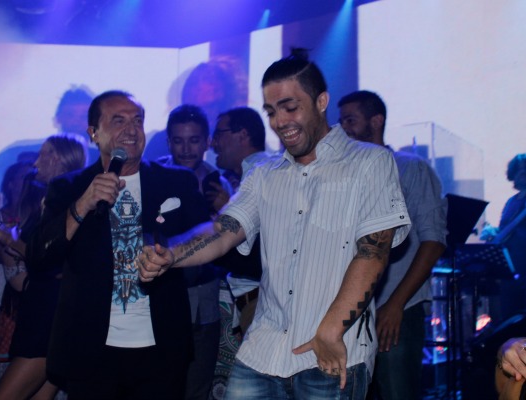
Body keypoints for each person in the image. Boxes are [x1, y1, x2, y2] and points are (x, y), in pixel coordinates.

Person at [139, 52, 411, 400]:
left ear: (321, 102)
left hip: (330, 352)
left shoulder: (370, 162)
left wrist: (331, 329)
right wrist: (171, 255)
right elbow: (223, 230)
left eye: (290, 107)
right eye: (271, 111)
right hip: (262, 352)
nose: (280, 121)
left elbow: (373, 252)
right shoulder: (264, 173)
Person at [31, 90, 211, 399]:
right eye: (118, 121)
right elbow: (39, 257)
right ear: (93, 133)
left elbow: (205, 242)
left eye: (137, 121)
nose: (131, 130)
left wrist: (171, 255)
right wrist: (84, 203)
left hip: (161, 349)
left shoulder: (176, 182)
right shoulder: (70, 187)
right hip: (91, 351)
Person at [338, 90, 448, 400]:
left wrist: (395, 304)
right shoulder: (342, 177)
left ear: (376, 121)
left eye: (350, 120)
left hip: (395, 309)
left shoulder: (410, 168)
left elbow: (433, 242)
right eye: (340, 122)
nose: (343, 129)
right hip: (346, 315)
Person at [0, 134, 87, 400]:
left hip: (51, 314)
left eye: (42, 154)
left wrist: (12, 242)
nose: (35, 162)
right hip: (44, 307)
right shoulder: (55, 199)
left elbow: (58, 259)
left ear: (57, 158)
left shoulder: (70, 201)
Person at [158, 104, 229, 400]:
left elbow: (230, 243)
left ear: (207, 141)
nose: (186, 149)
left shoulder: (219, 182)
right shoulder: (154, 177)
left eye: (194, 140)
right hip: (162, 297)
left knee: (197, 386)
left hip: (205, 300)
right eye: (178, 141)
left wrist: (224, 208)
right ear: (169, 142)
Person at [211, 107, 270, 335]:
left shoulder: (262, 174)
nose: (213, 144)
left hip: (263, 306)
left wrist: (225, 218)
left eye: (219, 134)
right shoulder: (249, 174)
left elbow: (264, 251)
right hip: (253, 304)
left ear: (243, 135)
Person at [0, 160, 33, 397]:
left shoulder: (36, 215)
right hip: (0, 296)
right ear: (10, 183)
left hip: (26, 295)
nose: (29, 182)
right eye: (23, 177)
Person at [481, 154, 526, 321]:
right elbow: (505, 229)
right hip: (509, 269)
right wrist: (493, 232)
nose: (523, 173)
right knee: (508, 318)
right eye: (520, 170)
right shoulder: (511, 202)